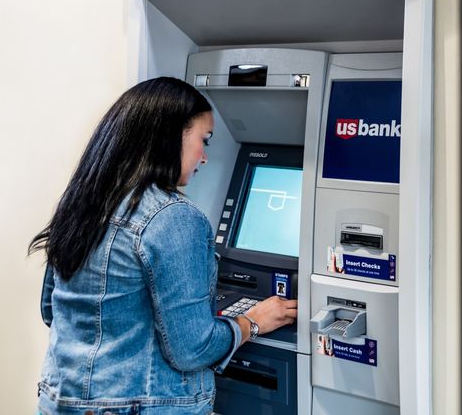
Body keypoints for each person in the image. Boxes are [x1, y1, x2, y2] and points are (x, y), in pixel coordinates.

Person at [29, 77, 297, 414]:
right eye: (204, 140)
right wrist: (252, 322)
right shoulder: (172, 216)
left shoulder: (84, 202)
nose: (205, 157)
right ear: (171, 136)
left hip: (59, 400)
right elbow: (193, 349)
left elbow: (51, 310)